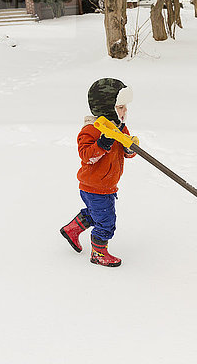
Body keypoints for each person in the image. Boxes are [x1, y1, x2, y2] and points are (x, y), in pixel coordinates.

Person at [60, 78, 138, 267]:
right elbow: (86, 156)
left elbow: (126, 150)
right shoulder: (91, 130)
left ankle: (71, 230)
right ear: (106, 106)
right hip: (94, 186)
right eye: (120, 107)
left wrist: (130, 148)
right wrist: (102, 144)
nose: (124, 111)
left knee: (97, 214)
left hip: (107, 184)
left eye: (125, 106)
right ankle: (98, 253)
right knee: (106, 221)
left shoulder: (118, 127)